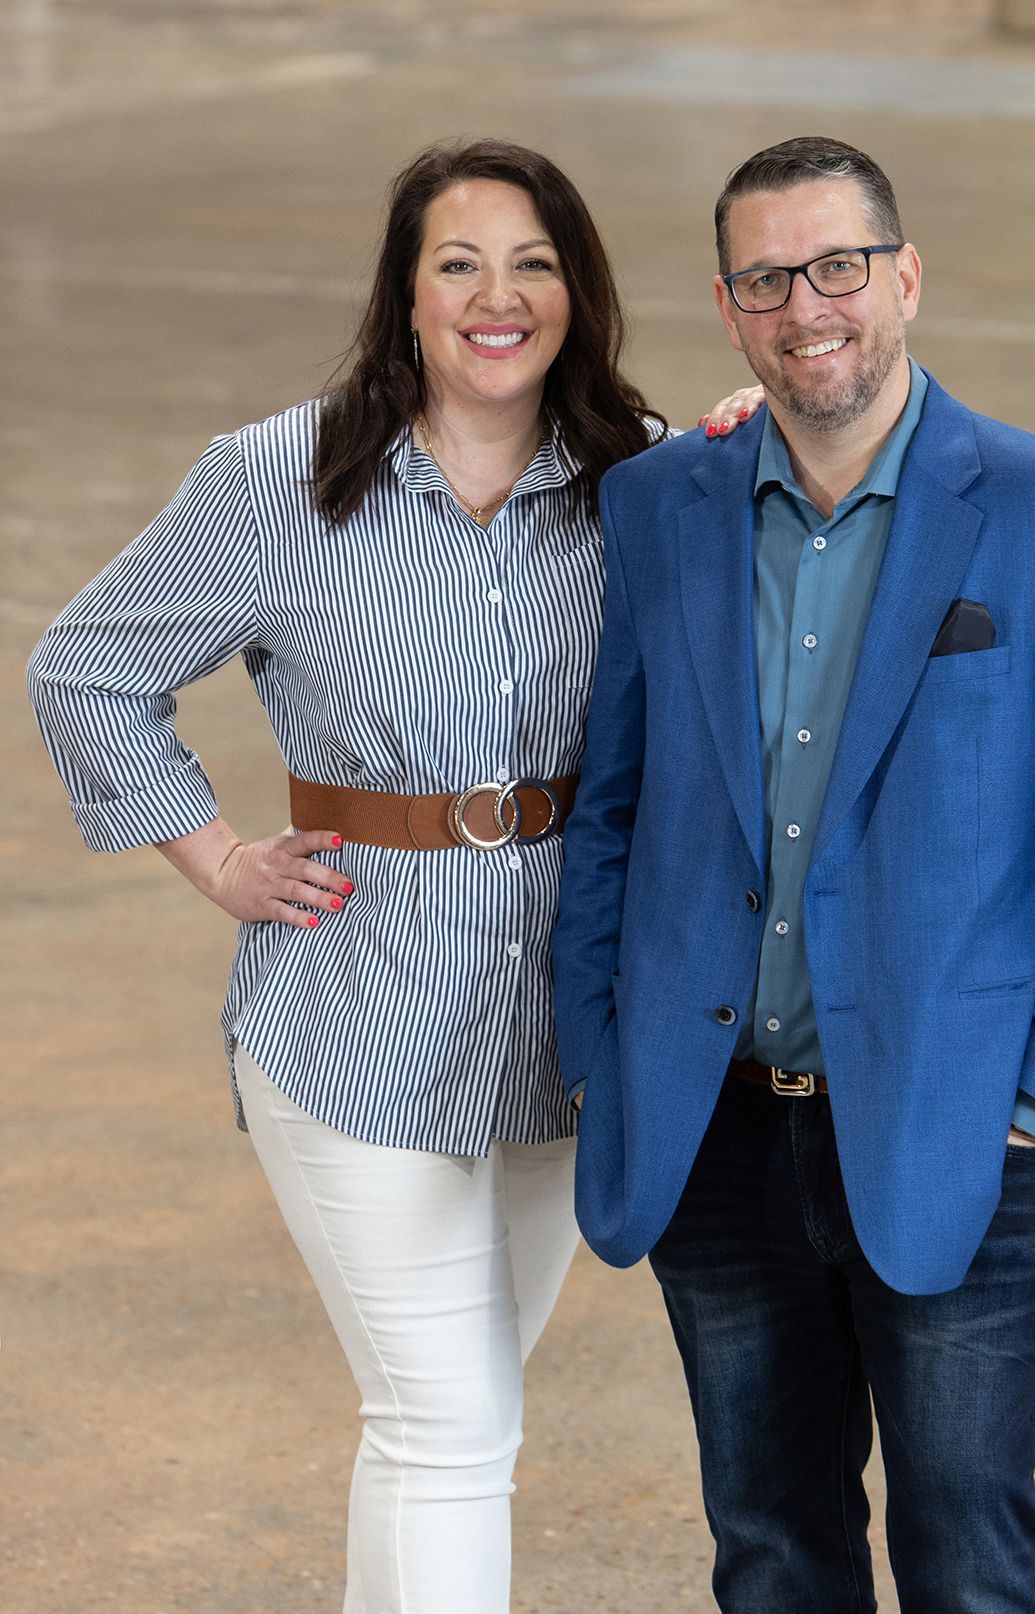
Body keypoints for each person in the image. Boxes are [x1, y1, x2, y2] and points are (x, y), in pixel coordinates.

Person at [27, 137, 758, 1614]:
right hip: (357, 1017)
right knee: (454, 1423)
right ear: (405, 296)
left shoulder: (647, 483)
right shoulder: (273, 481)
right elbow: (85, 667)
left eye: (535, 263)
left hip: (571, 1019)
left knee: (440, 1422)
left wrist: (752, 454)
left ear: (578, 294)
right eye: (459, 262)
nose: (500, 296)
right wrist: (217, 853)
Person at [553, 135, 1035, 1612]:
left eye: (836, 266)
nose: (804, 306)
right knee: (769, 1551)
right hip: (711, 1134)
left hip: (955, 1135)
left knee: (967, 1556)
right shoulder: (659, 505)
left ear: (904, 277)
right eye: (766, 278)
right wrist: (603, 1058)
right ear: (726, 304)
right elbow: (611, 807)